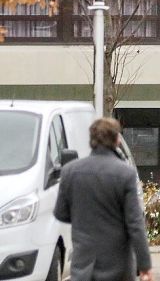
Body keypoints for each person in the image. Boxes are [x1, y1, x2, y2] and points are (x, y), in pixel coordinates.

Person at [54, 117, 153, 281]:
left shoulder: (70, 171)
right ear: (117, 140)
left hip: (83, 264)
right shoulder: (125, 174)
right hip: (118, 267)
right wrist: (145, 265)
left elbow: (60, 214)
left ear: (91, 140)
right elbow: (135, 224)